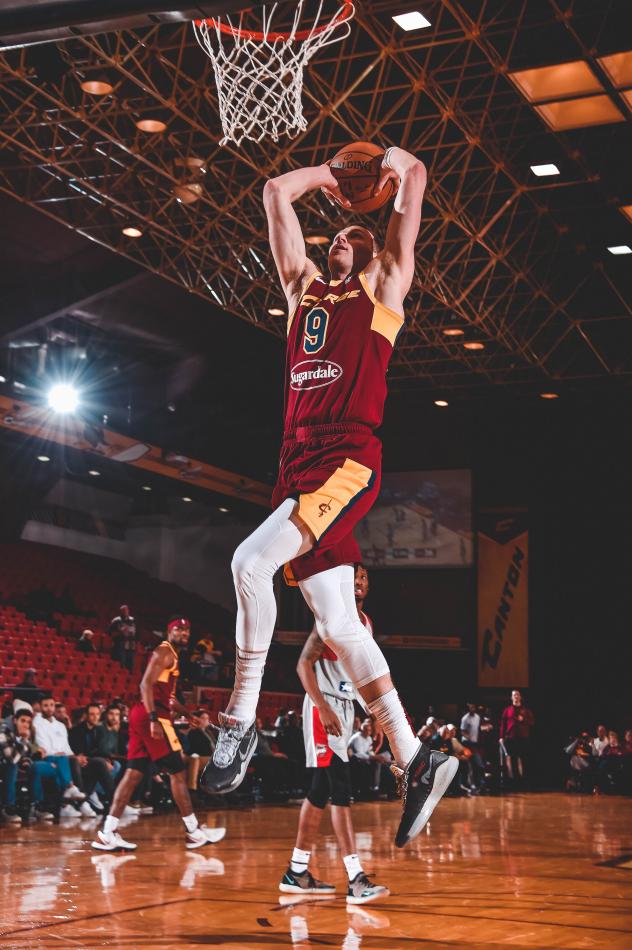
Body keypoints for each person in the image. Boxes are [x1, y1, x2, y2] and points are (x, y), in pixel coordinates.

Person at [201, 146, 457, 849]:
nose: (345, 240)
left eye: (359, 237)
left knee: (250, 564)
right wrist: (331, 179)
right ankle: (416, 756)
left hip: (346, 459)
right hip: (294, 462)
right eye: (340, 234)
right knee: (341, 628)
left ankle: (239, 721)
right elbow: (274, 193)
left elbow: (412, 199)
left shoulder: (381, 291)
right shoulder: (301, 292)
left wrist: (397, 166)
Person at [281, 563, 388, 903]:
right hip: (321, 706)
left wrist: (371, 713)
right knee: (340, 788)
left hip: (343, 708)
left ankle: (296, 872)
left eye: (364, 577)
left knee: (320, 790)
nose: (359, 580)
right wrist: (323, 707)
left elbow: (359, 675)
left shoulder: (367, 623)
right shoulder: (332, 618)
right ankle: (355, 878)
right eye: (354, 576)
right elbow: (303, 664)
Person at [92, 616, 226, 852]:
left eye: (187, 631)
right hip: (151, 716)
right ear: (169, 631)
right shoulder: (164, 652)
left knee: (133, 773)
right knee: (177, 771)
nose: (184, 634)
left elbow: (169, 697)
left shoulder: (172, 656)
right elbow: (145, 685)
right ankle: (193, 832)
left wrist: (188, 713)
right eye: (179, 629)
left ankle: (107, 832)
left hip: (142, 714)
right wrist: (154, 718)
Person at [33, 695, 90, 813]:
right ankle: (74, 796)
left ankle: (69, 802)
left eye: (51, 705)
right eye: (46, 706)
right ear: (40, 707)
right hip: (47, 757)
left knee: (71, 761)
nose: (49, 708)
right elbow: (41, 745)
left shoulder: (60, 726)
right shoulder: (36, 723)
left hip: (62, 757)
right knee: (63, 760)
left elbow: (66, 747)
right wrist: (58, 754)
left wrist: (74, 756)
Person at [499, 689, 535, 783]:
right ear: (511, 698)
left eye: (517, 695)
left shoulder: (526, 710)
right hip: (510, 738)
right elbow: (503, 724)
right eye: (514, 695)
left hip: (523, 738)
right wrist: (501, 737)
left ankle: (522, 780)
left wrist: (523, 720)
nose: (516, 696)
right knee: (510, 758)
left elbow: (532, 723)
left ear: (520, 697)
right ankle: (511, 780)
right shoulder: (507, 710)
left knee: (521, 759)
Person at [109, 605, 136, 672]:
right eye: (123, 611)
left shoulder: (132, 620)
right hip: (120, 645)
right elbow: (110, 632)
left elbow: (136, 632)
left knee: (130, 665)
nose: (125, 612)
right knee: (121, 665)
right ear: (120, 612)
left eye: (126, 610)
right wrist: (120, 632)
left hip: (131, 646)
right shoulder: (116, 621)